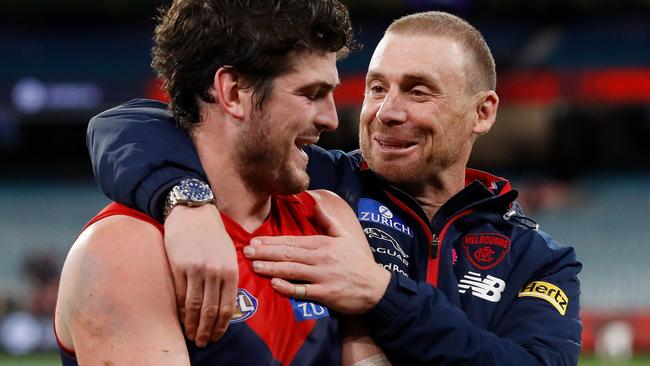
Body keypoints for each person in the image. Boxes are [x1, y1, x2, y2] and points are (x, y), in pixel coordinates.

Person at [87, 11, 583, 365]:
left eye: (417, 90)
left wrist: (382, 294)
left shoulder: (537, 258)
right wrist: (185, 200)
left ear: (483, 112)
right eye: (376, 87)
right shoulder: (319, 184)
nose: (386, 111)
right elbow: (127, 125)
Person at [54, 1, 390, 365]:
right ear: (232, 93)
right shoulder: (124, 250)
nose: (330, 118)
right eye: (311, 94)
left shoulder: (329, 217)